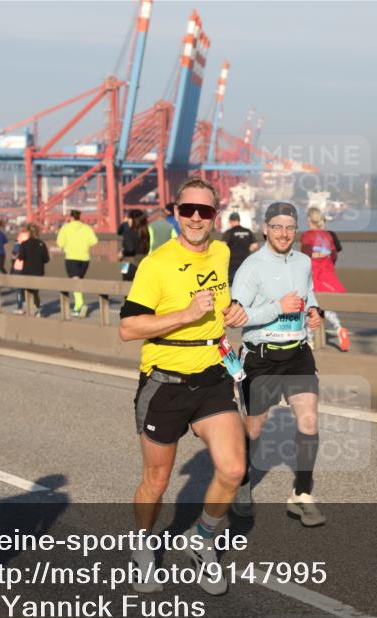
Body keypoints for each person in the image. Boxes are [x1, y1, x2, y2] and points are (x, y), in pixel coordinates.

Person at [118, 176, 248, 596]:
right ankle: (141, 548)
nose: (196, 218)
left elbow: (223, 297)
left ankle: (202, 540)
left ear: (215, 216)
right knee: (156, 481)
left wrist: (235, 309)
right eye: (188, 210)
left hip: (212, 374)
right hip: (165, 381)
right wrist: (186, 314)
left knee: (233, 468)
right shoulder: (155, 264)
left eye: (205, 211)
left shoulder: (223, 252)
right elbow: (128, 327)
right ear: (175, 213)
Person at [230, 202, 325, 525]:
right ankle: (242, 479)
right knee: (254, 428)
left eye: (290, 227)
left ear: (295, 230)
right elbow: (235, 317)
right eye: (277, 227)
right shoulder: (251, 267)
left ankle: (302, 494)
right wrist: (276, 307)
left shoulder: (303, 261)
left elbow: (309, 293)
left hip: (297, 352)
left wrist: (314, 311)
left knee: (309, 422)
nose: (284, 234)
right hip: (262, 358)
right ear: (266, 229)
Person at [300, 207, 350, 351]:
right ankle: (339, 328)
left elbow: (305, 254)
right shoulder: (328, 236)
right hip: (328, 274)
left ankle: (309, 340)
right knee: (326, 307)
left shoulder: (307, 235)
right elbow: (334, 255)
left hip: (314, 275)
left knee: (311, 308)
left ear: (310, 220)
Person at [56, 209, 98, 317]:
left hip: (71, 257)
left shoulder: (65, 228)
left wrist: (68, 245)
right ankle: (77, 307)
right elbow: (94, 241)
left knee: (75, 282)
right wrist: (84, 244)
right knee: (78, 282)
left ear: (70, 217)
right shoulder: (86, 228)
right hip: (85, 258)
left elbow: (60, 243)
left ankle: (80, 305)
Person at [12, 223, 49, 316]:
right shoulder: (41, 243)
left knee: (28, 291)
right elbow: (46, 259)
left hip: (27, 271)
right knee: (36, 291)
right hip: (39, 271)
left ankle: (30, 309)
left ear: (29, 232)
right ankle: (37, 309)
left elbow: (21, 257)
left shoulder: (25, 244)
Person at [222, 211, 259, 283]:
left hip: (232, 263)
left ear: (231, 221)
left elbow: (223, 245)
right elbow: (255, 245)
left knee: (233, 285)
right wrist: (246, 250)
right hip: (246, 262)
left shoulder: (229, 232)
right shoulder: (247, 231)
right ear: (239, 220)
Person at [120, 209, 150, 282]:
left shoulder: (128, 233)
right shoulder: (146, 232)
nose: (127, 220)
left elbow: (130, 250)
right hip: (144, 262)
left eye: (129, 218)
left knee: (126, 285)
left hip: (128, 263)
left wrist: (121, 253)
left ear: (133, 220)